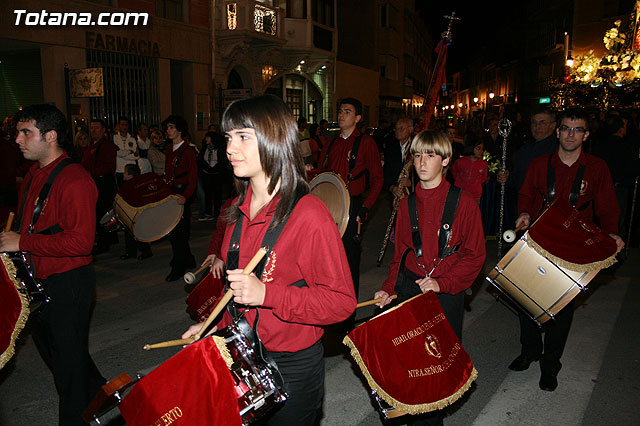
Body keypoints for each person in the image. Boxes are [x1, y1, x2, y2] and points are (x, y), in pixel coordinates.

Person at [182, 94, 356, 425]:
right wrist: (210, 326)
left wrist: (268, 294)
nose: (230, 148)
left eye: (243, 136)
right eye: (229, 137)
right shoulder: (235, 210)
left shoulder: (308, 214)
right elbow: (234, 291)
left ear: (274, 139)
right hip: (243, 359)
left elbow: (342, 303)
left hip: (291, 366)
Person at [0, 104, 105, 426]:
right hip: (39, 281)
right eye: (18, 132)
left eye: (26, 132)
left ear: (51, 136)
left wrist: (23, 242)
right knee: (65, 358)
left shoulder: (75, 179)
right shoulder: (33, 173)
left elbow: (81, 243)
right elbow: (33, 224)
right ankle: (111, 402)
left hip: (68, 283)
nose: (17, 139)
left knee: (68, 371)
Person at [374, 130, 486, 426]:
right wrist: (388, 289)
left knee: (436, 367)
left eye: (431, 155)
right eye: (417, 155)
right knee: (409, 362)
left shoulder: (465, 203)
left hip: (446, 290)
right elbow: (399, 255)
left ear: (446, 159)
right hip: (411, 287)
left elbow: (475, 255)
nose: (422, 162)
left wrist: (444, 283)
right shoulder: (407, 204)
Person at [510, 107, 625, 392]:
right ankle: (530, 351)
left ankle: (550, 365)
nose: (570, 134)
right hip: (538, 242)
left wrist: (612, 232)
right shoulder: (539, 164)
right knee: (527, 300)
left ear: (585, 135)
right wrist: (524, 213)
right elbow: (525, 194)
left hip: (575, 247)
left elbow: (608, 205)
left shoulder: (597, 168)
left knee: (561, 309)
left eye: (577, 130)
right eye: (566, 128)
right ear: (557, 131)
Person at [318, 97, 383, 298]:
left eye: (347, 111)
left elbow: (378, 179)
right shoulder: (329, 144)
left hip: (352, 207)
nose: (341, 115)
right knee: (324, 259)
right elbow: (321, 176)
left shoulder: (366, 143)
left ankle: (348, 307)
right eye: (340, 111)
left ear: (357, 118)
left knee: (348, 260)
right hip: (327, 207)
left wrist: (365, 208)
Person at [162, 114, 197, 281]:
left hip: (182, 194)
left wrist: (186, 196)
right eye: (167, 127)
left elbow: (193, 178)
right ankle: (187, 258)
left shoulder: (188, 151)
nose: (168, 131)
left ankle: (179, 265)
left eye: (171, 127)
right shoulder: (169, 149)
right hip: (171, 193)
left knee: (180, 232)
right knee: (173, 230)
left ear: (180, 130)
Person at [83, 118, 118, 254]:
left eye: (97, 128)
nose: (94, 130)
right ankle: (109, 239)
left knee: (102, 213)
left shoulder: (107, 145)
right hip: (95, 182)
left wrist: (92, 172)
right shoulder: (92, 145)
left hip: (104, 183)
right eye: (92, 128)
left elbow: (109, 167)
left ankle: (104, 242)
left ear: (103, 130)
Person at [119, 163, 153, 261]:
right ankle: (131, 252)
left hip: (137, 214)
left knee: (138, 234)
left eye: (125, 172)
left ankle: (146, 251)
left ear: (130, 175)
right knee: (129, 233)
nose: (123, 174)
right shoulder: (128, 185)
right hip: (130, 213)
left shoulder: (136, 186)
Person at [197, 131, 229, 220]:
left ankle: (217, 212)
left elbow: (223, 162)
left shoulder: (219, 149)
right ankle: (208, 212)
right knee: (207, 194)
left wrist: (215, 168)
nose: (206, 139)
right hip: (207, 174)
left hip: (217, 175)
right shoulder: (204, 148)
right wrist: (207, 168)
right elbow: (201, 160)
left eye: (208, 137)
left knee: (217, 194)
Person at [383, 117, 414, 199]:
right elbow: (386, 171)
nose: (398, 131)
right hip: (395, 194)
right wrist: (392, 187)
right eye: (396, 129)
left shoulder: (417, 148)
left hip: (413, 194)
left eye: (401, 128)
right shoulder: (391, 148)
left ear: (410, 129)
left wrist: (411, 182)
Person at [113, 116, 139, 187]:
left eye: (126, 125)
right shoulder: (114, 138)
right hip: (120, 170)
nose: (124, 127)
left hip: (131, 171)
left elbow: (136, 156)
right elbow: (117, 153)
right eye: (122, 124)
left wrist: (123, 154)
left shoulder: (132, 139)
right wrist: (129, 152)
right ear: (118, 125)